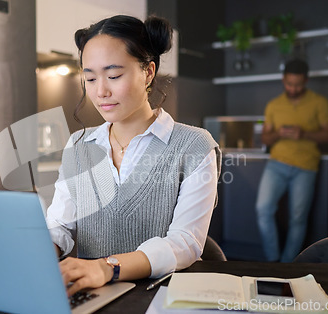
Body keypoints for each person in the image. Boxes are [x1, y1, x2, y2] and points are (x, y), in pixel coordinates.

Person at [45, 15, 221, 296]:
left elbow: (185, 242)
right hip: (94, 295)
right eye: (90, 78)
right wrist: (36, 251)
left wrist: (107, 267)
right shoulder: (79, 145)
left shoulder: (194, 145)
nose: (100, 91)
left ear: (148, 72)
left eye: (114, 76)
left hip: (165, 296)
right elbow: (60, 225)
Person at [255, 59, 328, 263]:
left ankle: (289, 265)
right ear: (284, 80)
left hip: (305, 167)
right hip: (276, 164)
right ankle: (273, 261)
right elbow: (265, 138)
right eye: (289, 84)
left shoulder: (319, 102)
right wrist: (279, 134)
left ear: (306, 81)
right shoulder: (274, 105)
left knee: (298, 218)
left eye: (298, 84)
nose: (293, 88)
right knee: (263, 208)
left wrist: (304, 134)